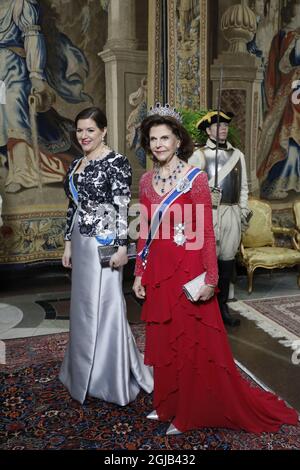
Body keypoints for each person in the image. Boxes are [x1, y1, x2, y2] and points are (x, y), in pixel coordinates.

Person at [133, 104, 298, 435]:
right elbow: (144, 231)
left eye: (165, 137)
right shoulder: (147, 180)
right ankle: (167, 403)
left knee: (190, 343)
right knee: (165, 340)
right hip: (159, 271)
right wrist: (139, 272)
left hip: (188, 269)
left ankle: (189, 412)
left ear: (179, 140)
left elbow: (205, 233)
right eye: (153, 139)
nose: (158, 144)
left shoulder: (196, 179)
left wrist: (211, 278)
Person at [59, 106, 153, 406]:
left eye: (90, 130)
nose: (83, 136)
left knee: (108, 305)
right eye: (80, 130)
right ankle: (81, 369)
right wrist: (68, 244)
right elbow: (72, 207)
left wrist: (123, 246)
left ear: (103, 131)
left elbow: (122, 207)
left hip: (105, 242)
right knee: (84, 307)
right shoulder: (77, 163)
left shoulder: (116, 162)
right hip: (80, 241)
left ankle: (109, 375)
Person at [189, 110, 250, 327]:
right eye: (217, 125)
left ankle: (222, 307)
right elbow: (188, 189)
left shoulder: (238, 155)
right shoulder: (200, 155)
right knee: (208, 261)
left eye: (225, 125)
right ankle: (207, 308)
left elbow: (243, 187)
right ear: (208, 130)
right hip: (210, 213)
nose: (222, 129)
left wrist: (243, 211)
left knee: (227, 262)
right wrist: (206, 194)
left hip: (232, 213)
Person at [257, 0, 300, 200]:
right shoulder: (284, 35)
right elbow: (280, 65)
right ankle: (278, 182)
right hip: (290, 91)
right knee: (287, 135)